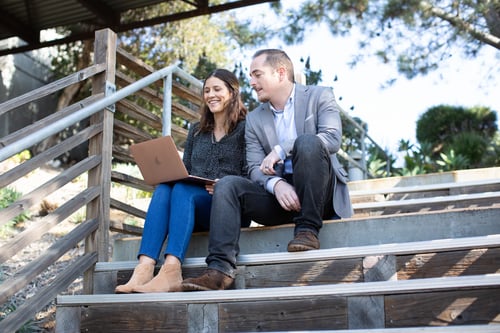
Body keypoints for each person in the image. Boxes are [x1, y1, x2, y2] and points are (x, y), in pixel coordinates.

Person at [181, 49, 353, 292]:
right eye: (251, 76)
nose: (251, 82)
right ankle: (219, 269)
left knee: (307, 142)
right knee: (228, 183)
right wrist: (277, 185)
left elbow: (331, 138)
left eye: (257, 75)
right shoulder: (254, 118)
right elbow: (253, 167)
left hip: (318, 195)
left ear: (280, 73)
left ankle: (307, 231)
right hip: (279, 200)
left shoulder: (320, 95)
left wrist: (282, 149)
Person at [115, 68, 248, 293]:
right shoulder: (196, 130)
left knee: (183, 191)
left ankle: (171, 270)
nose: (211, 95)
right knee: (166, 186)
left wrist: (224, 184)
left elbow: (250, 174)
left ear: (233, 92)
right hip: (191, 206)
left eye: (217, 89)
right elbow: (185, 170)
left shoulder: (246, 128)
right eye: (207, 90)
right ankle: (144, 268)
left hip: (227, 209)